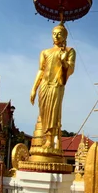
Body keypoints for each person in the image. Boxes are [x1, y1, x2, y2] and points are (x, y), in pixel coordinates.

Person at [30, 24, 76, 152]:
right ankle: (45, 139)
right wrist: (34, 88)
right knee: (44, 112)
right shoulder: (45, 52)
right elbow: (41, 70)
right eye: (54, 33)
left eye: (59, 33)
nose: (56, 36)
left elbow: (70, 69)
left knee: (53, 113)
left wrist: (63, 61)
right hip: (44, 85)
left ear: (65, 36)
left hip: (56, 84)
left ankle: (50, 141)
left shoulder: (69, 51)